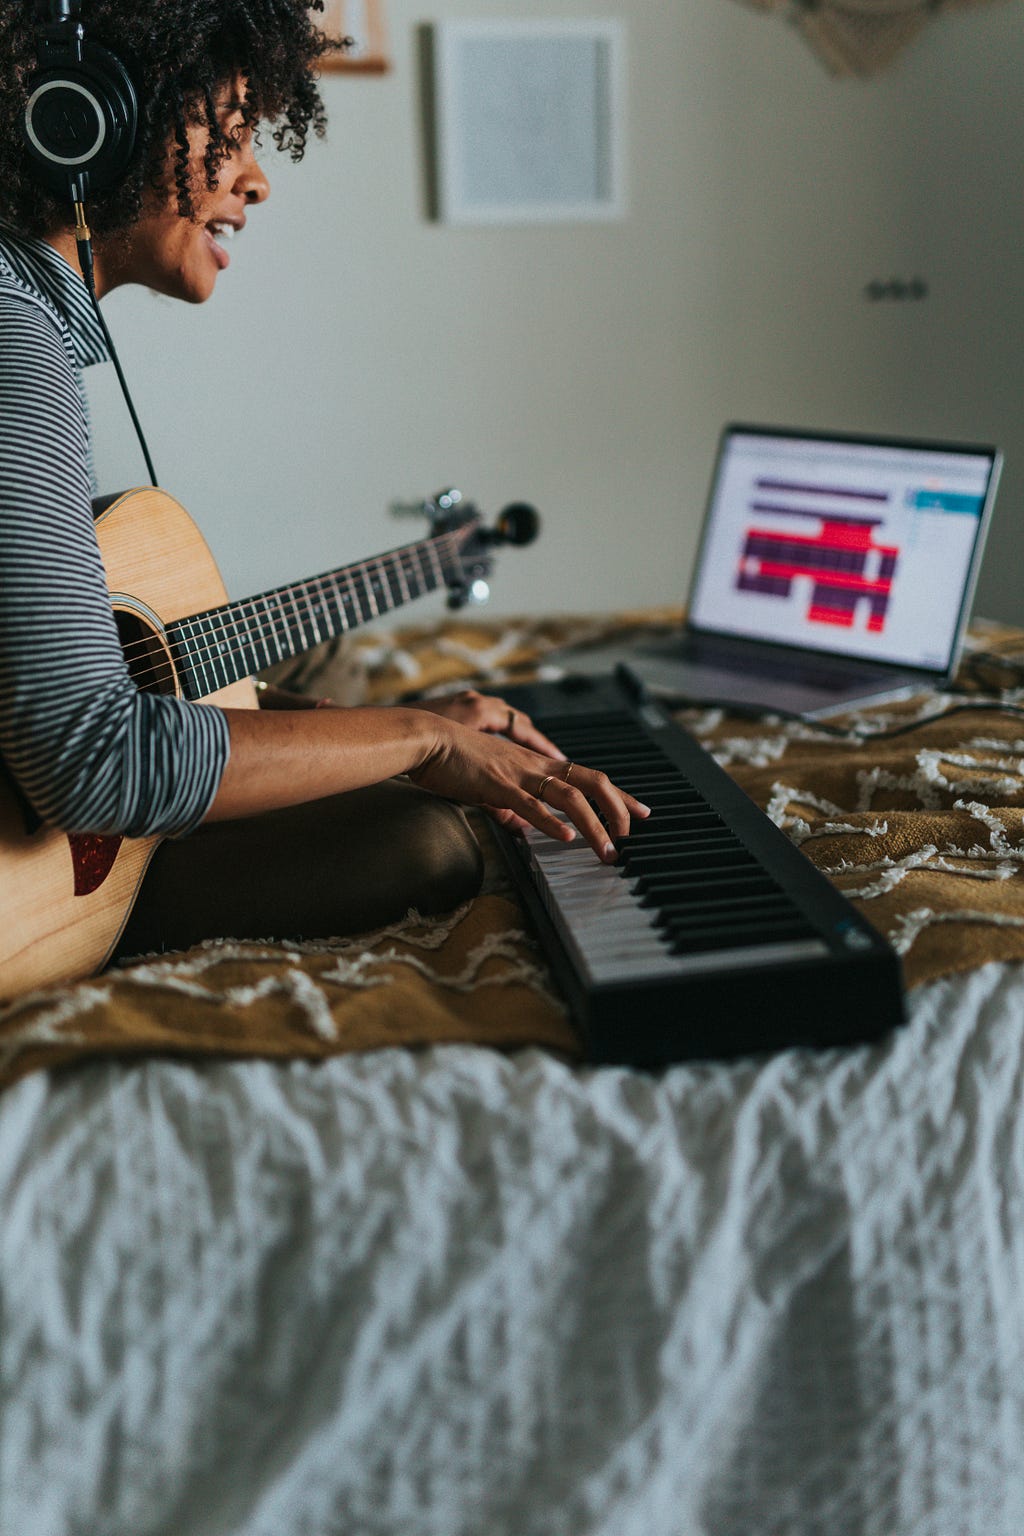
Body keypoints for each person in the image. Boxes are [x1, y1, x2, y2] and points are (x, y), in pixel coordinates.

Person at [0, 0, 649, 961]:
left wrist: (403, 725)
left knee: (318, 680)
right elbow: (98, 763)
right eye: (230, 135)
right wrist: (422, 741)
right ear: (91, 122)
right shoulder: (15, 343)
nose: (257, 180)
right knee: (431, 841)